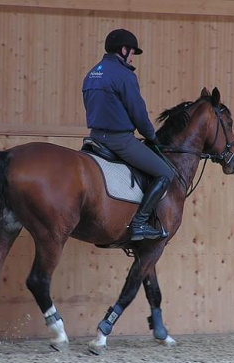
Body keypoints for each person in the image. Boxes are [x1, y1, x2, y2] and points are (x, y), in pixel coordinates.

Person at [82, 29, 174, 241]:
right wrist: (151, 136)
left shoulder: (91, 74)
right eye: (132, 52)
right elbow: (138, 112)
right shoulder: (124, 76)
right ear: (123, 50)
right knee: (165, 173)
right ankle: (139, 223)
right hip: (119, 141)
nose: (132, 58)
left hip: (94, 138)